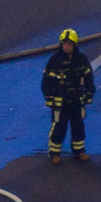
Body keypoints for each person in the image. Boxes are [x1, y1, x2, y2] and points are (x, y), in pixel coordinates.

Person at [41, 27, 95, 164]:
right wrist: (49, 98)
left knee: (78, 127)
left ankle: (79, 151)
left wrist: (89, 93)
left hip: (77, 100)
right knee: (59, 127)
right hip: (60, 101)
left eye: (69, 44)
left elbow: (89, 78)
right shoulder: (54, 60)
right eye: (64, 44)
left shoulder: (81, 59)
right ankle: (54, 154)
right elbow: (46, 82)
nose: (66, 47)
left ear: (75, 45)